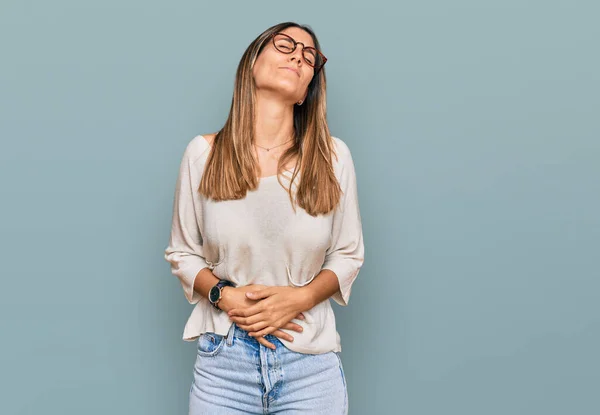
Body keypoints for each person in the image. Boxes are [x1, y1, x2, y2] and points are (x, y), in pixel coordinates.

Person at [164, 21, 364, 415]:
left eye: (310, 56)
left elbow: (348, 255)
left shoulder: (333, 157)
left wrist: (300, 299)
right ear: (252, 63)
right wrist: (225, 296)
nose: (298, 56)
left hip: (310, 364)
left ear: (309, 87)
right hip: (224, 365)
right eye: (286, 44)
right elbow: (183, 254)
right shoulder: (203, 155)